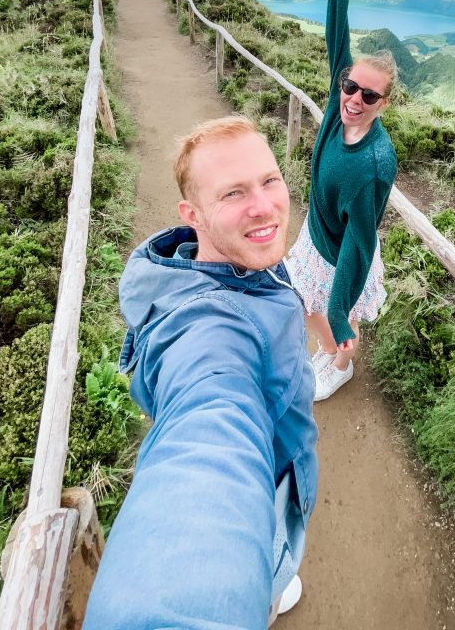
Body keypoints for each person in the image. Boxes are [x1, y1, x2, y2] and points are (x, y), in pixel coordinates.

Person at [84, 116, 318, 629]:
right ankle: (271, 584)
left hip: (277, 454)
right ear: (192, 215)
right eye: (233, 193)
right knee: (271, 568)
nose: (264, 206)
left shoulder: (230, 261)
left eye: (269, 180)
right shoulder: (211, 329)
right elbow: (208, 438)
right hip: (266, 483)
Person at [286, 0, 398, 401]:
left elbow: (360, 239)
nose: (354, 98)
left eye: (368, 95)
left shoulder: (373, 164)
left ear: (383, 104)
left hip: (343, 255)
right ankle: (329, 349)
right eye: (351, 86)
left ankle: (341, 365)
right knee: (306, 305)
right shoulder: (339, 106)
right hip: (317, 236)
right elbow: (338, 32)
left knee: (336, 316)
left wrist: (338, 309)